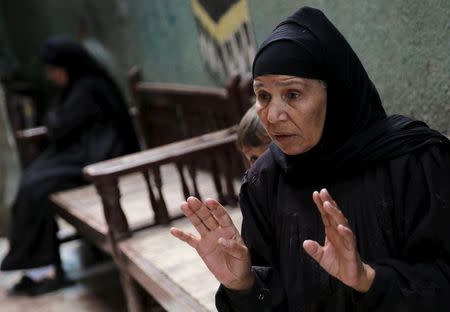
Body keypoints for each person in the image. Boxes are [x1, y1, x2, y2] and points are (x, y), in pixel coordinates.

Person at [170, 6, 450, 311]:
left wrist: (368, 279)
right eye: (263, 96)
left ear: (336, 92)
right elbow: (271, 298)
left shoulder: (411, 161)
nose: (272, 115)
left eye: (292, 94)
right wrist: (244, 285)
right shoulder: (265, 181)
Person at [1, 37, 139, 296]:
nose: (51, 75)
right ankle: (37, 266)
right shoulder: (80, 85)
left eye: (54, 69)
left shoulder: (89, 88)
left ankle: (44, 269)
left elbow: (58, 125)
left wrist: (54, 120)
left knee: (37, 186)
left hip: (101, 158)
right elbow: (58, 124)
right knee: (33, 181)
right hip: (86, 153)